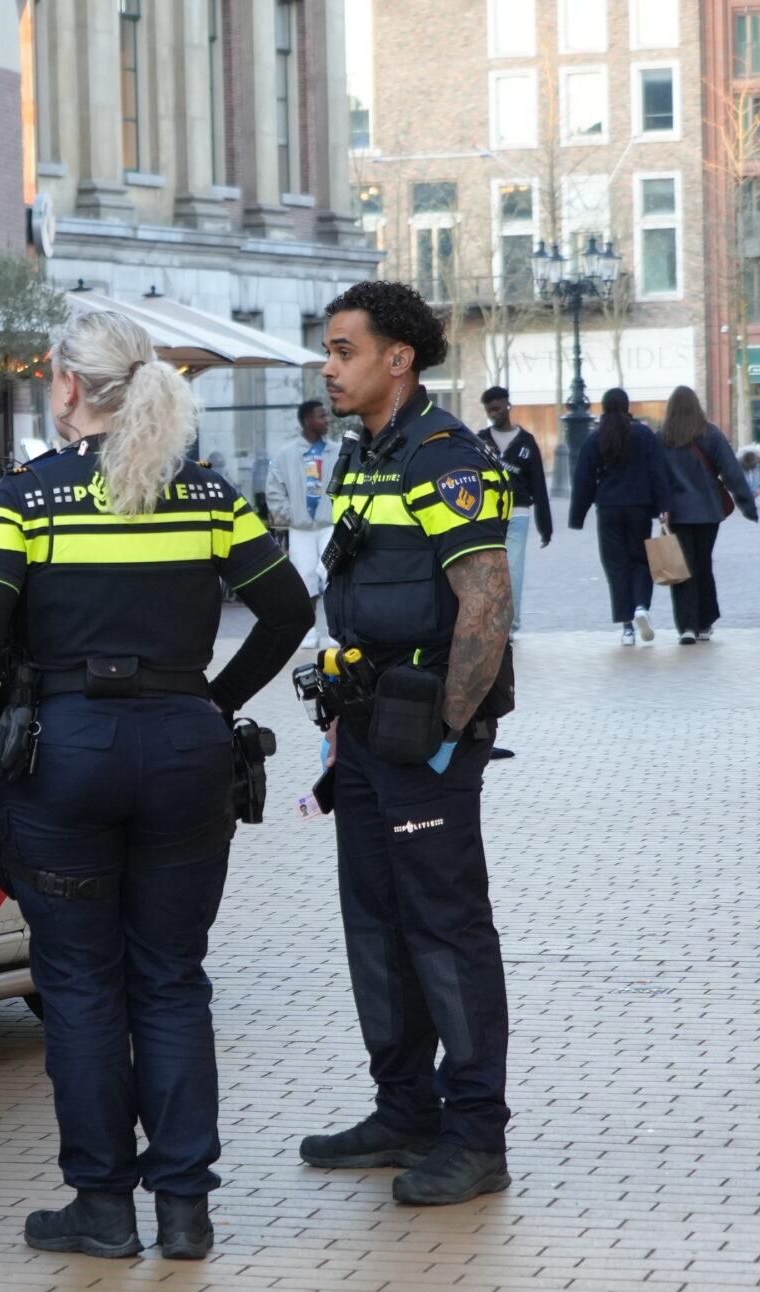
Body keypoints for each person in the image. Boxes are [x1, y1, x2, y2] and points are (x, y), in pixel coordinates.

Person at [0, 312, 307, 1261]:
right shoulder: (202, 494)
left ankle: (103, 1206)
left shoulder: (29, 500)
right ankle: (186, 1208)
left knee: (78, 985)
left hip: (66, 755)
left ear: (66, 387)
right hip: (184, 754)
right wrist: (211, 701)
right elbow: (288, 609)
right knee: (172, 979)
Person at [297, 280, 518, 1208]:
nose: (328, 366)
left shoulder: (444, 456)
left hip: (422, 738)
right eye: (328, 350)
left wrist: (446, 733)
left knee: (444, 930)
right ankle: (404, 1108)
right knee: (376, 925)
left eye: (344, 350)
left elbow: (487, 600)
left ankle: (475, 1135)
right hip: (365, 731)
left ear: (399, 359)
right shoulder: (364, 456)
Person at [567, 387, 673, 645]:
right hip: (639, 507)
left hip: (609, 508)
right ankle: (641, 607)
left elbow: (584, 480)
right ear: (627, 407)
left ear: (603, 408)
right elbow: (658, 472)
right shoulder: (644, 435)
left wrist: (577, 516)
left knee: (616, 564)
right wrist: (664, 507)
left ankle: (627, 626)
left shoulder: (595, 439)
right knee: (640, 560)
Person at [655, 384, 757, 643]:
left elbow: (655, 476)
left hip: (676, 513)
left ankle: (687, 625)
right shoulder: (710, 433)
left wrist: (659, 507)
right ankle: (705, 621)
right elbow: (731, 470)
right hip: (708, 511)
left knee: (682, 568)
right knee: (703, 564)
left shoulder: (663, 436)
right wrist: (747, 504)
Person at [263, 399, 340, 645]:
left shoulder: (337, 451)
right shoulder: (287, 454)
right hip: (301, 529)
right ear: (307, 420)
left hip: (330, 525)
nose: (327, 420)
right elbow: (273, 489)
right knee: (304, 578)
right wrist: (289, 515)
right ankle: (308, 632)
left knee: (332, 576)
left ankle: (333, 632)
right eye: (321, 416)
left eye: (327, 416)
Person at [477, 386, 554, 634]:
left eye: (497, 408)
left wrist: (546, 527)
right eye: (489, 410)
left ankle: (511, 623)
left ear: (507, 405)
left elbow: (539, 486)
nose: (493, 414)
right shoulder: (480, 440)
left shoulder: (527, 442)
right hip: (488, 513)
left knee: (513, 568)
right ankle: (491, 620)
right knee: (488, 568)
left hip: (518, 512)